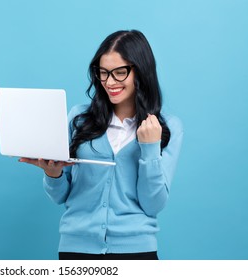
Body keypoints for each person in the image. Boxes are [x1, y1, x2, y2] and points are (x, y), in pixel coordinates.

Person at [19, 30, 183, 260]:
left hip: (136, 252)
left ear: (141, 72)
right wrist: (53, 173)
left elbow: (153, 204)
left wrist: (150, 148)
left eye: (120, 73)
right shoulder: (79, 119)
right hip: (76, 249)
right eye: (103, 73)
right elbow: (60, 196)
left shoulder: (167, 127)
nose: (109, 82)